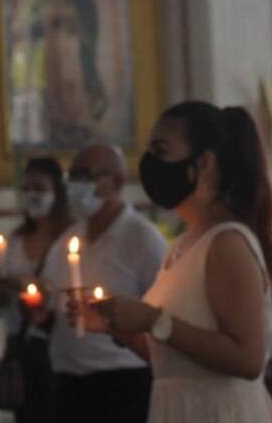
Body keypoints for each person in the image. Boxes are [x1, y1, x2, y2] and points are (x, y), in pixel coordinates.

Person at [82, 102, 272, 422]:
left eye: (161, 150)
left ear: (204, 163)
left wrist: (152, 319)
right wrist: (116, 325)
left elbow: (248, 359)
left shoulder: (227, 244)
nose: (149, 164)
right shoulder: (182, 245)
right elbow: (173, 363)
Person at [42, 144, 166, 423]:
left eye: (86, 174)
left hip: (122, 381)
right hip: (68, 381)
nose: (76, 184)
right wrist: (41, 310)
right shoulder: (68, 239)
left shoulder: (142, 238)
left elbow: (162, 313)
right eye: (73, 175)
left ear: (117, 181)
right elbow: (51, 296)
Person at [0, 157, 72, 423]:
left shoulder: (69, 237)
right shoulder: (16, 239)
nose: (32, 195)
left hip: (57, 343)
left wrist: (33, 286)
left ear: (57, 191)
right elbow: (3, 297)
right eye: (26, 189)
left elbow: (69, 287)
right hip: (21, 343)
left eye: (39, 188)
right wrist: (1, 289)